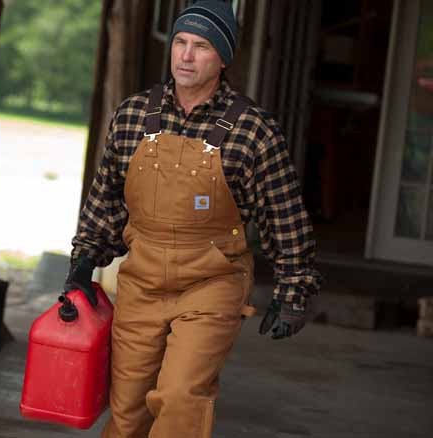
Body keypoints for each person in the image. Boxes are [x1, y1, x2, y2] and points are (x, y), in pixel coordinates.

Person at [64, 1, 322, 437]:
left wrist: (294, 290)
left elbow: (285, 213)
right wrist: (83, 261)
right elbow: (106, 195)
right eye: (180, 42)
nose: (185, 55)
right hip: (142, 283)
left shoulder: (252, 130)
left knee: (181, 396)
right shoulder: (132, 116)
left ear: (223, 58)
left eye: (201, 46)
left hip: (211, 284)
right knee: (126, 410)